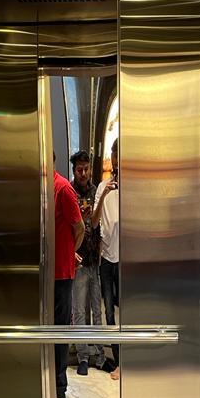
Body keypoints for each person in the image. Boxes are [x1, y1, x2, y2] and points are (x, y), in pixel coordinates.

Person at [70, 151, 106, 375]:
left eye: (86, 169)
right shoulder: (69, 191)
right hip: (78, 261)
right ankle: (82, 357)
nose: (83, 173)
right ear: (74, 170)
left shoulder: (95, 191)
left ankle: (100, 356)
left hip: (94, 260)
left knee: (97, 310)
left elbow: (96, 224)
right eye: (79, 169)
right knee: (79, 312)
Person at [54, 156, 84, 398]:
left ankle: (58, 388)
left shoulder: (63, 188)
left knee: (59, 330)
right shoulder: (42, 189)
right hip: (44, 273)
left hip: (61, 274)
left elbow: (80, 227)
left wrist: (69, 252)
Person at [93, 137, 120, 380]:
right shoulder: (102, 187)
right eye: (114, 155)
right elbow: (94, 222)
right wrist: (104, 194)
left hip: (127, 259)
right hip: (107, 258)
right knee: (109, 312)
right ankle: (119, 361)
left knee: (127, 311)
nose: (116, 160)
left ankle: (131, 360)